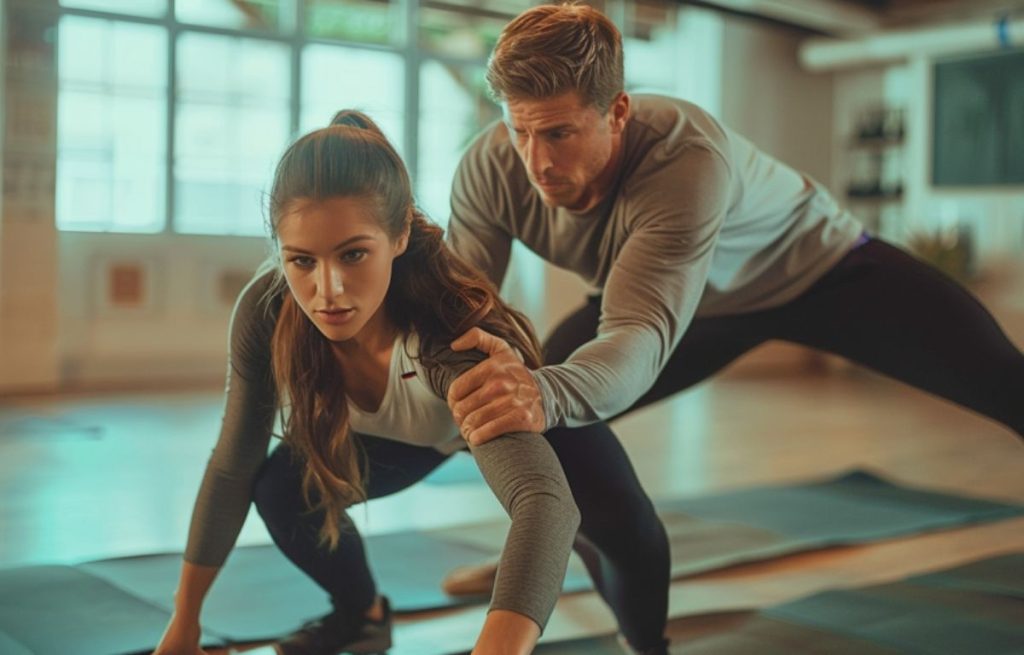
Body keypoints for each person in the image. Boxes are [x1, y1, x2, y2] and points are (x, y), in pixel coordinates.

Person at [440, 0, 1024, 628]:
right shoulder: (490, 167)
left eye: (559, 133)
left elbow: (638, 332)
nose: (538, 162)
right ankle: (531, 555)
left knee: (1007, 383)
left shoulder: (683, 157)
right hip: (685, 298)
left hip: (823, 273)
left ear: (618, 112)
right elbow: (461, 317)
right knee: (545, 425)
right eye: (520, 131)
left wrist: (543, 393)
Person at [152, 110, 600, 655]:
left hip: (510, 418)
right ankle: (362, 617)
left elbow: (543, 505)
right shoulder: (267, 311)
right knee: (280, 485)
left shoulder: (447, 327)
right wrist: (184, 625)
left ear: (400, 235)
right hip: (404, 441)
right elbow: (232, 465)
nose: (328, 291)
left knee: (622, 543)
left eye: (353, 254)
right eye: (301, 261)